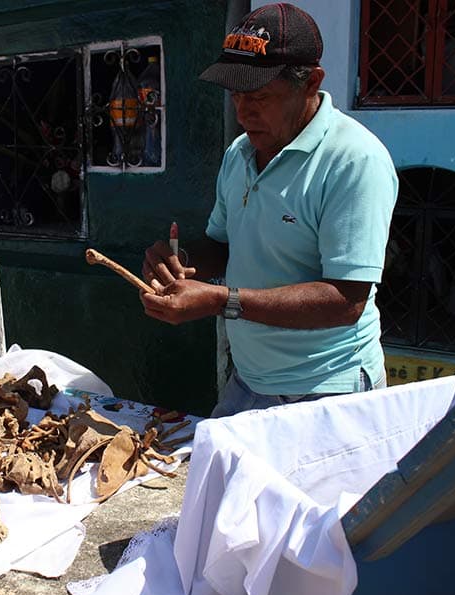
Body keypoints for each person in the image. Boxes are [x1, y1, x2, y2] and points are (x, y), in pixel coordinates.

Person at [140, 3, 398, 417]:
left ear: (311, 83)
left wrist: (220, 301)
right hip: (249, 381)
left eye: (260, 97)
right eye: (236, 96)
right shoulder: (240, 154)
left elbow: (345, 300)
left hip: (326, 389)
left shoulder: (353, 161)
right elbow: (223, 245)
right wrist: (181, 262)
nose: (243, 113)